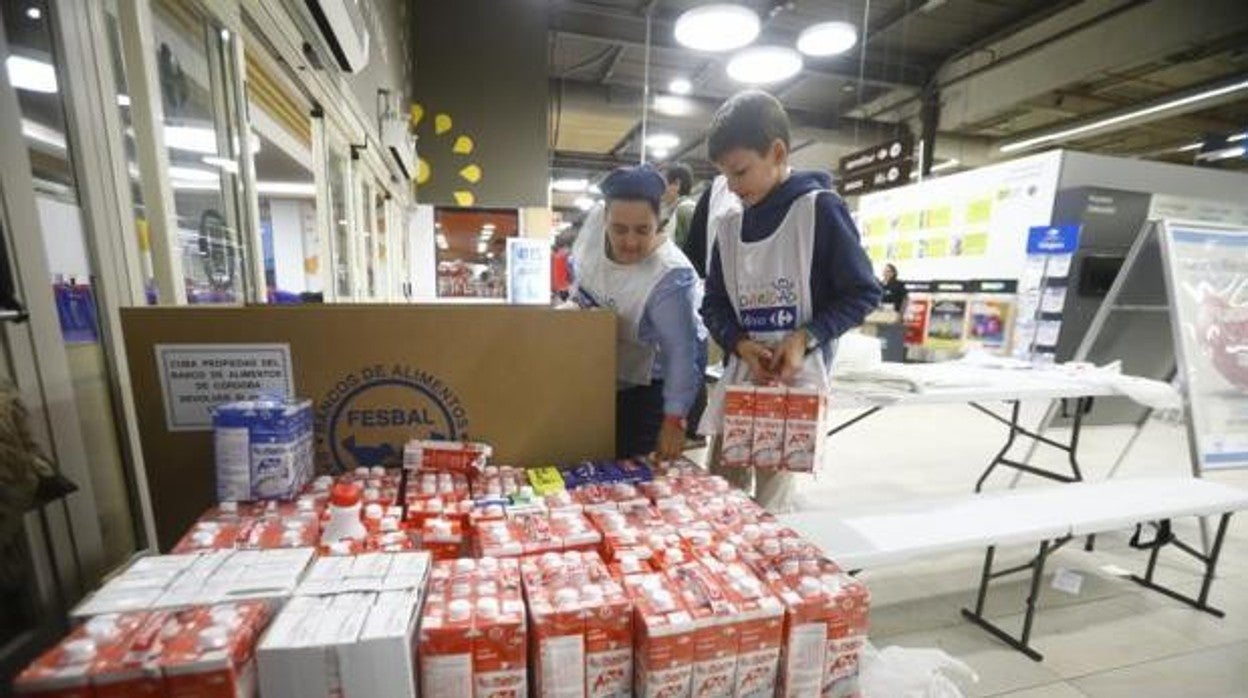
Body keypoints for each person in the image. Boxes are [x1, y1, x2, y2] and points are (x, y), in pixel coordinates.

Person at [693, 90, 882, 511]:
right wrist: (740, 343)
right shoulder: (729, 227)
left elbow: (864, 291)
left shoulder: (819, 210)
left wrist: (805, 337)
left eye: (741, 172)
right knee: (721, 495)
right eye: (725, 176)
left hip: (792, 391)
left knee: (772, 507)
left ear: (777, 152)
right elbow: (714, 304)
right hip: (742, 381)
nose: (733, 187)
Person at [571, 164, 708, 461]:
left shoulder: (670, 275)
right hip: (600, 373)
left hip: (650, 384)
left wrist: (674, 420)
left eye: (642, 230)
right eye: (619, 229)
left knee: (633, 470)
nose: (630, 242)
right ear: (604, 218)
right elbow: (579, 287)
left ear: (658, 222)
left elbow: (682, 354)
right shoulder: (593, 232)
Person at [660, 162, 698, 249]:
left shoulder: (686, 210)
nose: (659, 190)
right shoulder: (673, 212)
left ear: (677, 184)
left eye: (662, 184)